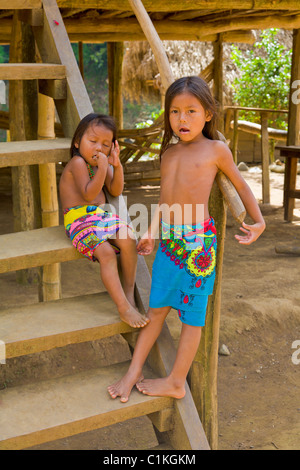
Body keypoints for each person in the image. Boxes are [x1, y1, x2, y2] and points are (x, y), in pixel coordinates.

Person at [107, 76, 265, 403]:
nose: (182, 119)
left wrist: (259, 220)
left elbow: (241, 185)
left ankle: (177, 381)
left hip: (198, 248)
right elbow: (165, 201)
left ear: (208, 114)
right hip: (170, 243)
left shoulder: (216, 150)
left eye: (191, 111)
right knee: (158, 308)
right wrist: (150, 233)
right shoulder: (168, 155)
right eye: (175, 111)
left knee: (193, 316)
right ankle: (134, 370)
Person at [59, 113, 149, 328]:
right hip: (78, 219)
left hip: (100, 217)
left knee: (128, 238)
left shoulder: (101, 165)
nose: (99, 148)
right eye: (93, 141)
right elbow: (89, 194)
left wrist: (116, 166)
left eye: (105, 145)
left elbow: (116, 189)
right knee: (106, 253)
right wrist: (102, 168)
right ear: (77, 142)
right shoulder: (78, 163)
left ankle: (128, 291)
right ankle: (122, 306)